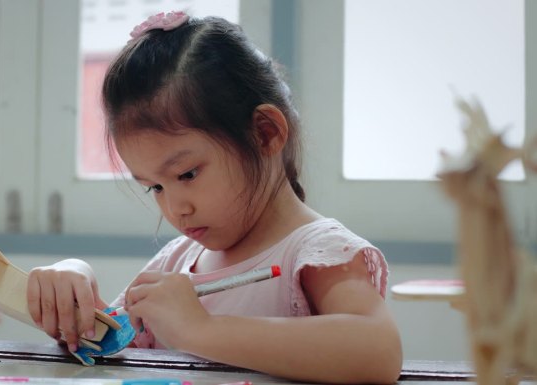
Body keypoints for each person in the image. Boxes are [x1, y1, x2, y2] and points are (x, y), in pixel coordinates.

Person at [27, 11, 402, 384]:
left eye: (187, 174)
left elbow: (378, 352)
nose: (176, 209)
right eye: (155, 187)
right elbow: (108, 344)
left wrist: (200, 329)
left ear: (265, 133)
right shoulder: (174, 262)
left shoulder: (315, 253)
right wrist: (75, 283)